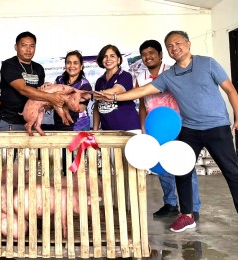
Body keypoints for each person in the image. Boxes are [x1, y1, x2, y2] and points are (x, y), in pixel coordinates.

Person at [96, 31, 238, 232]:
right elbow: (144, 91)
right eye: (170, 46)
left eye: (178, 43)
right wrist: (116, 98)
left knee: (232, 173)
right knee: (182, 169)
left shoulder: (207, 63)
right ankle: (187, 215)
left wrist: (237, 117)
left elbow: (230, 89)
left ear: (188, 44)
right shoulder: (168, 76)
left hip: (217, 127)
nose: (175, 48)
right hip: (190, 128)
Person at [136, 40, 201, 221]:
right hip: (156, 127)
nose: (148, 57)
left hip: (178, 124)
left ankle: (193, 207)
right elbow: (142, 104)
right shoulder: (140, 77)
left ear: (160, 54)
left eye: (152, 53)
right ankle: (170, 204)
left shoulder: (173, 71)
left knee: (185, 165)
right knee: (162, 166)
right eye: (144, 54)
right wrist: (144, 128)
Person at [0, 31, 66, 131]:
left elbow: (39, 94)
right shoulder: (9, 64)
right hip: (9, 122)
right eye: (24, 45)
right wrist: (51, 97)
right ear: (16, 47)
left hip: (31, 122)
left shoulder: (38, 68)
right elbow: (23, 89)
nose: (28, 50)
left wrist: (48, 94)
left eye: (32, 46)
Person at [92, 44, 141, 132]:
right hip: (107, 130)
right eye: (105, 56)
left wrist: (88, 94)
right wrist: (95, 131)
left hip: (129, 129)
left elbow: (116, 91)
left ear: (118, 60)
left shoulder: (125, 76)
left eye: (112, 56)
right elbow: (97, 106)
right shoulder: (99, 81)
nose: (108, 59)